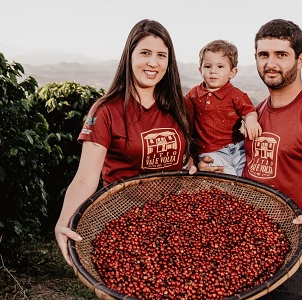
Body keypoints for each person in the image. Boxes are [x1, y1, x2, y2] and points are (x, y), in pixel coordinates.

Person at [199, 19, 302, 299]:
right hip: (245, 246)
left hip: (293, 250)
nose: (270, 63)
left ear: (301, 60)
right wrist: (211, 165)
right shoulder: (256, 112)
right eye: (264, 55)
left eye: (281, 55)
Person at [55, 19, 196, 266]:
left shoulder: (181, 107)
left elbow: (187, 155)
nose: (153, 62)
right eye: (145, 53)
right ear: (129, 56)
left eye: (161, 55)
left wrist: (193, 162)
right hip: (122, 220)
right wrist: (64, 220)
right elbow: (85, 178)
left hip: (174, 223)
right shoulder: (106, 111)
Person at [186, 39, 261, 176]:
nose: (213, 71)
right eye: (207, 66)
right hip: (211, 152)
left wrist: (250, 120)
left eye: (220, 67)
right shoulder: (194, 94)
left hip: (238, 147)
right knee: (228, 177)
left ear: (232, 72)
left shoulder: (235, 95)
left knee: (247, 175)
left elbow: (249, 111)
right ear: (200, 70)